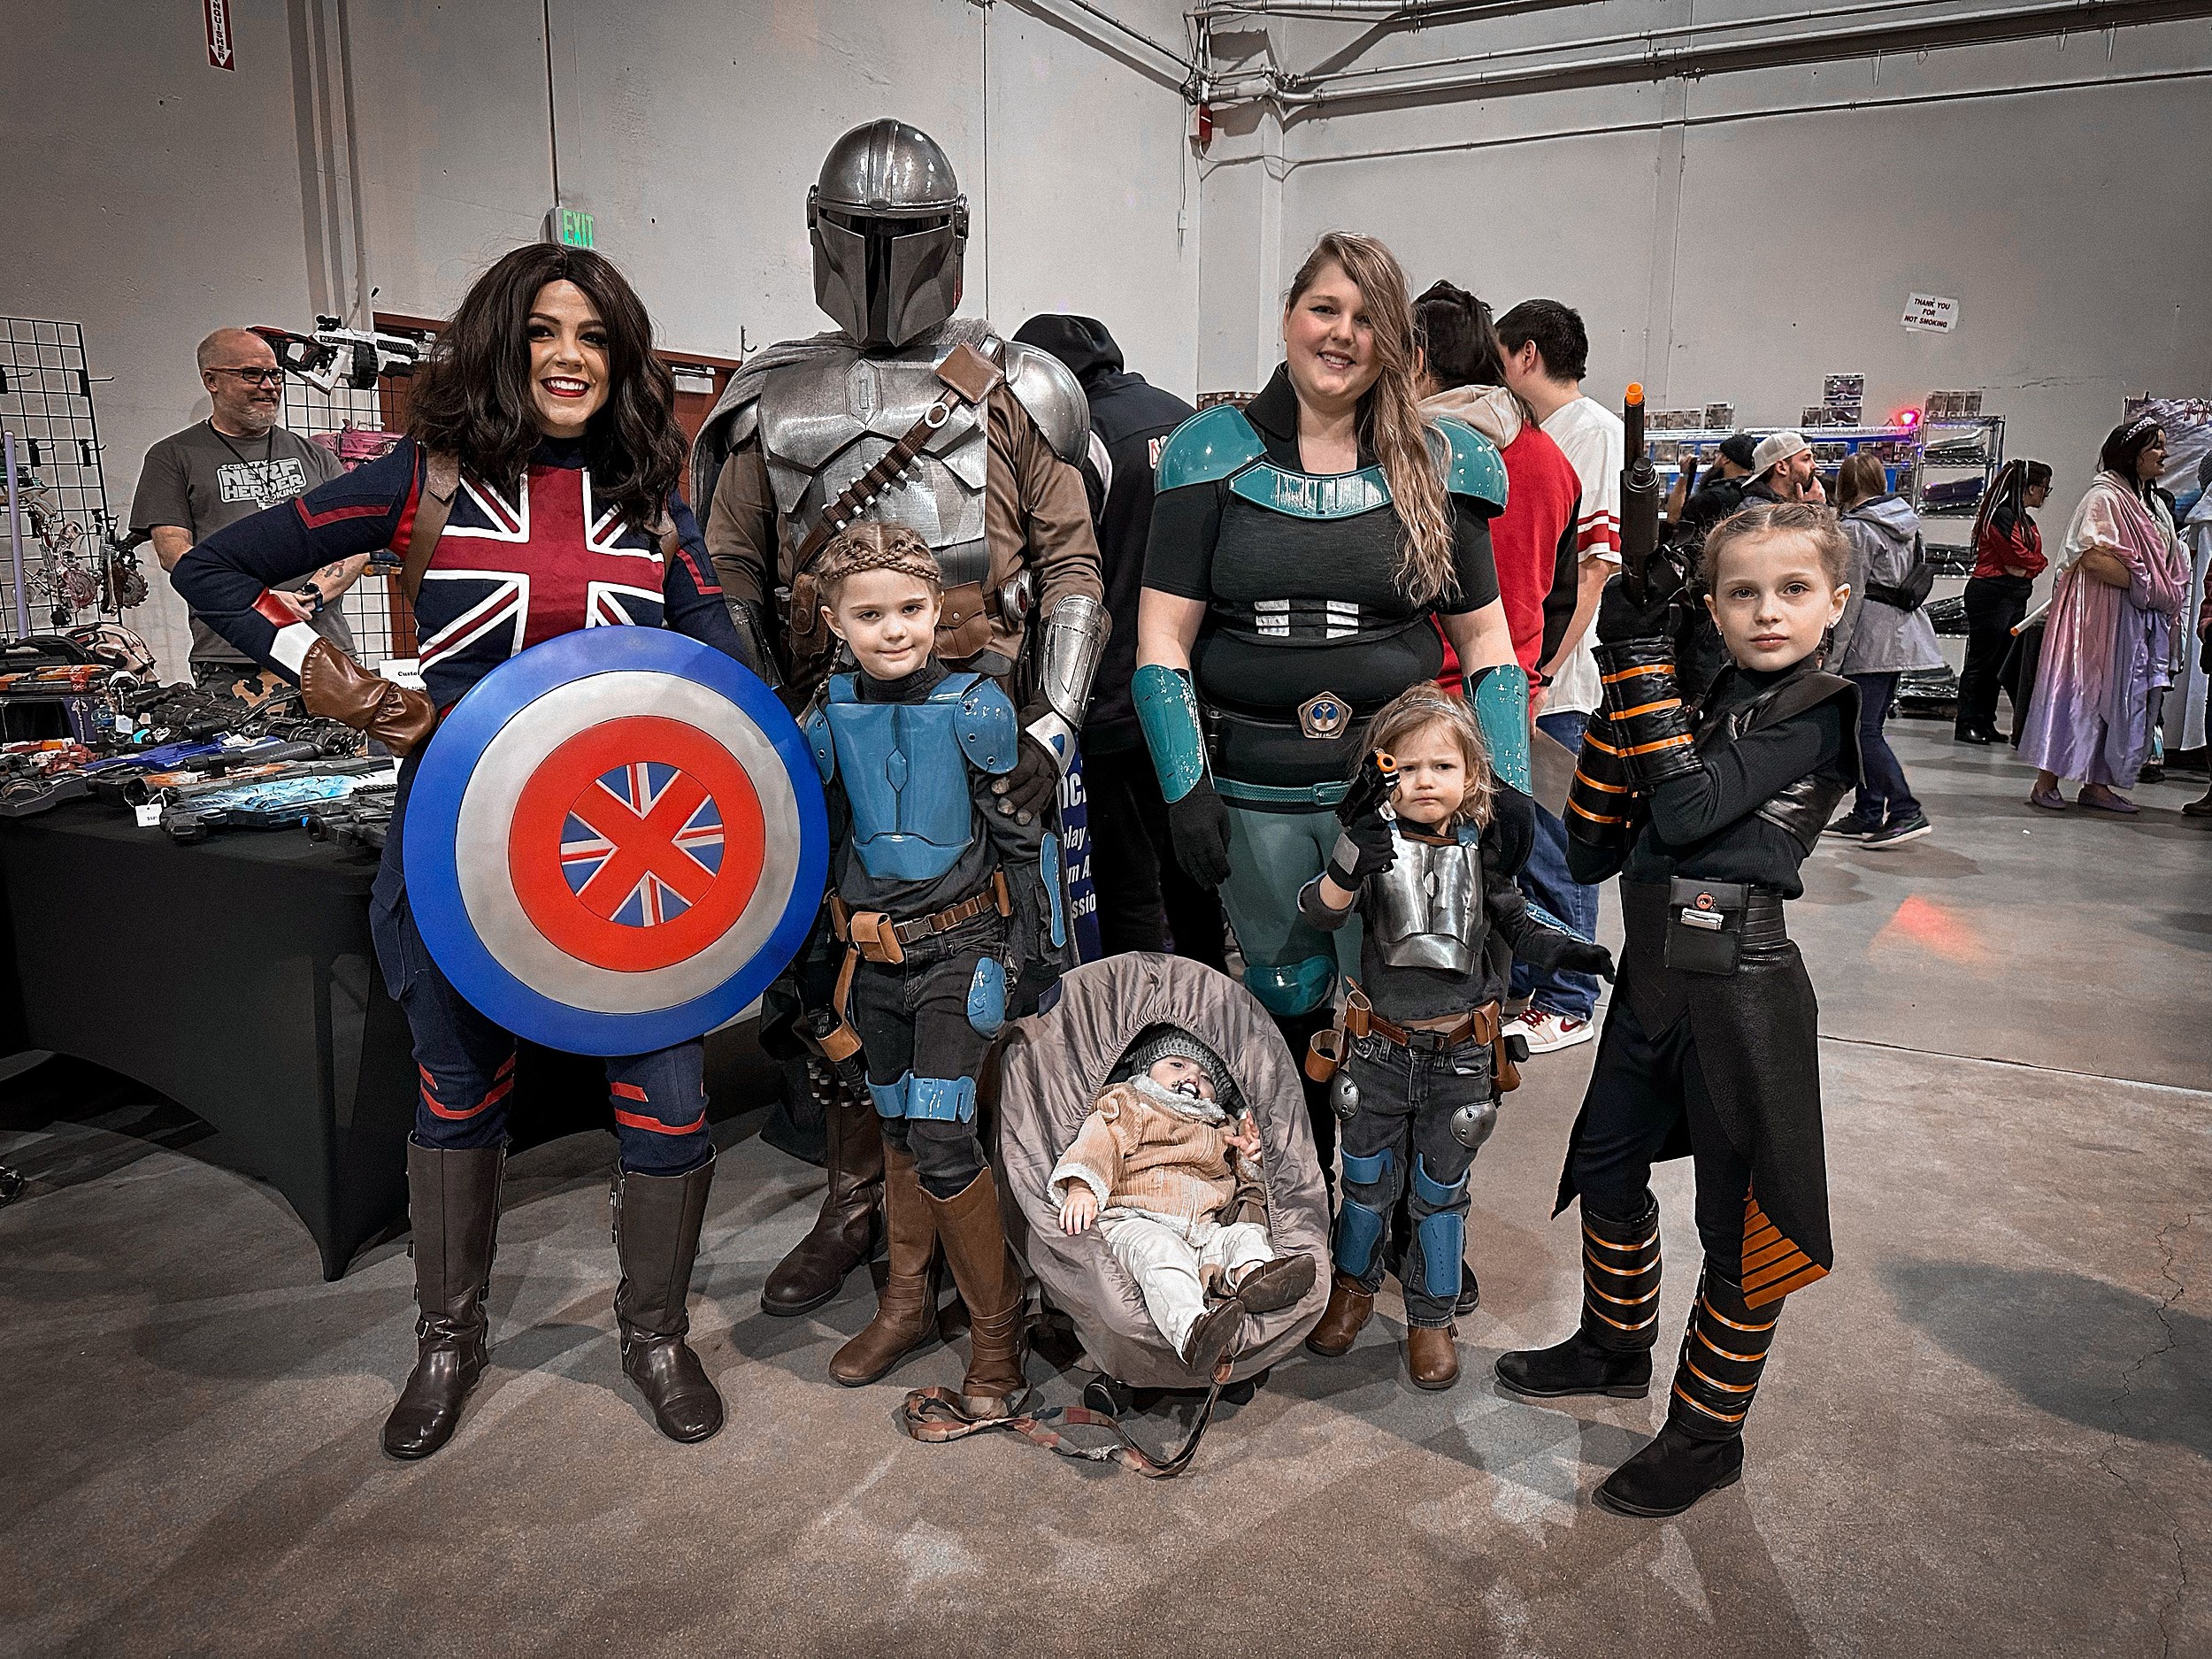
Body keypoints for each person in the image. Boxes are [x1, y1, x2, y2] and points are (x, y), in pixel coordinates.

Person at [173, 243, 749, 1456]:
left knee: (672, 1093)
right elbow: (221, 571)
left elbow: (720, 656)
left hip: (623, 857)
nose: (568, 356)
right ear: (502, 342)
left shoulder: (651, 499)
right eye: (544, 330)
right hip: (461, 841)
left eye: (594, 336)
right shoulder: (419, 483)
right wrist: (341, 684)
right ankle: (449, 1335)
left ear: (622, 359)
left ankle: (654, 1333)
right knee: (454, 1089)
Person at [690, 120, 1107, 1321]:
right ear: (819, 235)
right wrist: (771, 736)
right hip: (834, 744)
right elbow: (728, 574)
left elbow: (1074, 572)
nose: (880, 258)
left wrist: (1056, 727)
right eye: (858, 234)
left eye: (903, 236)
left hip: (994, 748)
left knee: (1006, 976)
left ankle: (1003, 1196)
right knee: (841, 983)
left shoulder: (1020, 385)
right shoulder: (765, 394)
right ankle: (856, 1200)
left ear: (953, 241)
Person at [1134, 230, 1528, 1199]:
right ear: (1289, 315)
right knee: (1283, 1006)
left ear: (1395, 342)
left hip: (1407, 804)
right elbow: (1161, 645)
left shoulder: (1442, 463)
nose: (1341, 335)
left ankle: (1393, 1217)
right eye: (1325, 309)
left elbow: (1488, 649)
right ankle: (1299, 1200)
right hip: (1252, 792)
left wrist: (1505, 792)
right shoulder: (1205, 453)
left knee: (1409, 1010)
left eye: (1366, 319)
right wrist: (1185, 788)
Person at [1499, 502, 1860, 1517]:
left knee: (1742, 1227)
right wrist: (1627, 666)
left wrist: (1648, 670)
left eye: (1792, 591)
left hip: (1743, 998)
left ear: (1833, 604)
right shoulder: (1697, 701)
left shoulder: (1819, 705)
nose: (1766, 612)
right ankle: (1614, 1346)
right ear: (1712, 603)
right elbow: (1588, 846)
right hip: (1652, 985)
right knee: (1606, 1169)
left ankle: (1706, 1435)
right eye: (1741, 592)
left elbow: (1695, 812)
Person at [803, 522, 1061, 1419]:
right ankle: (905, 1305)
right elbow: (809, 839)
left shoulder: (977, 706)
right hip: (871, 958)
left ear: (937, 607)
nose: (894, 629)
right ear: (834, 620)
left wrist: (1040, 957)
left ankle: (998, 1337)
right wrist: (809, 968)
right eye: (869, 613)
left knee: (946, 1135)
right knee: (901, 1135)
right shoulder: (824, 716)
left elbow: (1027, 840)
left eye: (910, 608)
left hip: (965, 951)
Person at [1297, 687, 1614, 1389]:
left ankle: (1431, 1316)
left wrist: (1574, 951)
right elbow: (1319, 910)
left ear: (1473, 777)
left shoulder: (1486, 857)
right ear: (1383, 775)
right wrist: (1351, 857)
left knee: (1441, 1193)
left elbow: (1521, 923)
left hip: (1462, 1058)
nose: (1424, 781)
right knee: (1365, 1184)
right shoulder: (1372, 851)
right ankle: (1351, 1292)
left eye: (1442, 766)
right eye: (1406, 768)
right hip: (1378, 1051)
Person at [1012, 312, 1225, 969]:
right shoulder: (1189, 421)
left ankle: (1146, 1032)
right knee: (1196, 872)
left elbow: (1069, 567)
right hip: (1191, 690)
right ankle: (1212, 1011)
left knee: (1125, 882)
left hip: (1108, 696)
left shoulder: (1081, 437)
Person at [1493, 296, 1620, 1056]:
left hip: (1559, 680)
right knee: (1525, 840)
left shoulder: (1593, 432)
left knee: (1558, 839)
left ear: (1526, 354)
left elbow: (1594, 571)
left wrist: (1538, 671)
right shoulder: (1533, 433)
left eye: (1500, 356)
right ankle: (1533, 982)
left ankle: (1570, 997)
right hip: (1527, 672)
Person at [1050, 1025, 1316, 1372]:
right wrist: (1082, 1187)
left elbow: (1243, 1182)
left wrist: (1251, 1155)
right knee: (1163, 1256)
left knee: (1245, 1235)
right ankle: (1193, 1331)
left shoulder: (1220, 1126)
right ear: (1147, 1069)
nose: (1191, 1078)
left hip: (1201, 1230)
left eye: (1205, 1077)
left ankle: (1255, 1279)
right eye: (1177, 1064)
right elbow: (1102, 1139)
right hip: (1137, 1219)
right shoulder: (1134, 1101)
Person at [130, 327, 367, 691]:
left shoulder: (317, 457)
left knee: (351, 747)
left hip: (323, 647)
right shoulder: (173, 456)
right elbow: (176, 554)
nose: (269, 385)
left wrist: (313, 594)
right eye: (251, 374)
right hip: (233, 655)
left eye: (274, 374)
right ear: (211, 380)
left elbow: (354, 540)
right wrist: (263, 603)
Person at [2021, 419, 2189, 813]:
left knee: (2124, 698)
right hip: (2098, 612)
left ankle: (2098, 784)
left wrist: (2156, 588)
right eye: (2157, 447)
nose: (2164, 454)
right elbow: (2094, 558)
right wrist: (2149, 584)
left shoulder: (2152, 503)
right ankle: (2046, 781)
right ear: (2133, 455)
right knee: (2083, 691)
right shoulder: (2105, 499)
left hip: (2134, 614)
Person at [1825, 454, 1943, 848]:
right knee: (1870, 726)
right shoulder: (1908, 523)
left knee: (1864, 731)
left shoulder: (1856, 530)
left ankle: (1906, 810)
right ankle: (1868, 811)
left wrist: (1834, 658)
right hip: (1901, 635)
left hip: (1868, 638)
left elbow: (1850, 595)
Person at [1955, 459, 2053, 744]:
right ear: (2031, 487)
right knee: (1981, 662)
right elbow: (2017, 558)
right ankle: (1968, 723)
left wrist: (2031, 566)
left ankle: (1984, 722)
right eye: (2045, 489)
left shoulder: (2023, 521)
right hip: (1992, 596)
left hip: (2011, 596)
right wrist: (2032, 565)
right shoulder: (2002, 517)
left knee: (1999, 664)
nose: (2045, 495)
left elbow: (2028, 563)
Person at [1679, 432, 1758, 541]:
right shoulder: (1757, 489)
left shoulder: (1710, 497)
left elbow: (1674, 519)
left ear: (1726, 459)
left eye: (1719, 453)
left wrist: (1684, 475)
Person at [1739, 431, 1821, 507]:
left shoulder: (1785, 504)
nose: (1815, 466)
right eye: (1806, 459)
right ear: (1781, 468)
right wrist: (1813, 508)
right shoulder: (1757, 510)